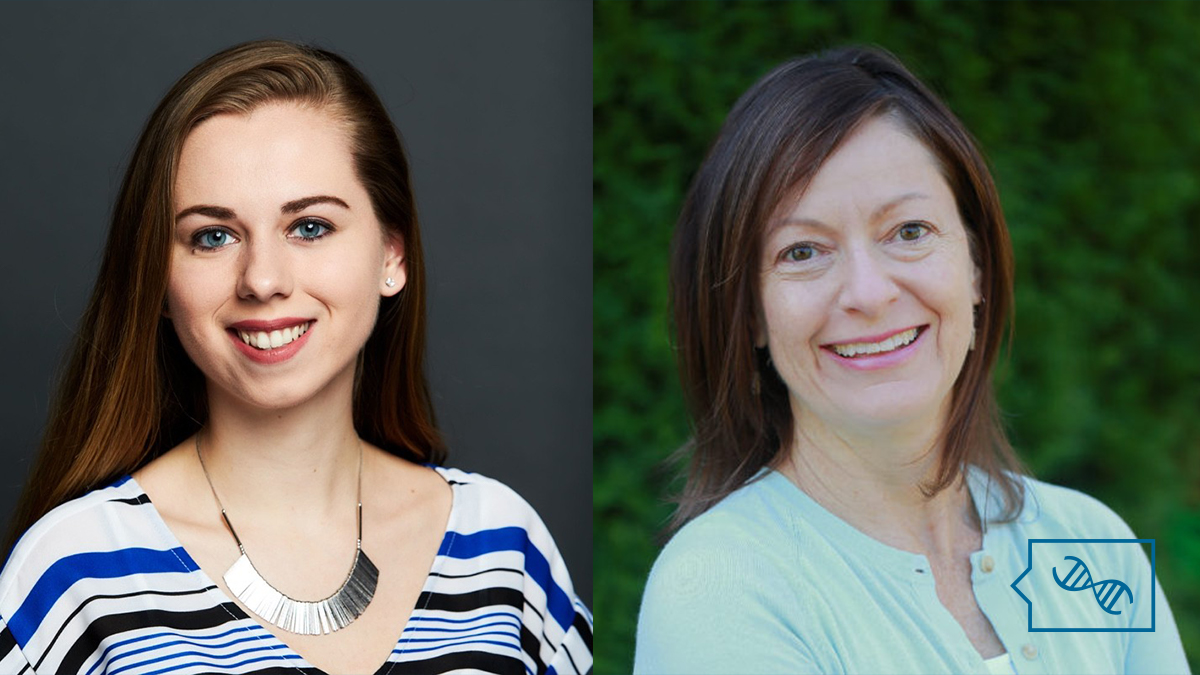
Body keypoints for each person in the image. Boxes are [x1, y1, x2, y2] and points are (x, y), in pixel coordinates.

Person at [0, 40, 591, 675]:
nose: (262, 280)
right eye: (212, 236)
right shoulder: (76, 571)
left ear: (392, 256)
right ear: (159, 283)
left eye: (310, 226)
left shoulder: (504, 548)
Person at [634, 46, 1187, 674]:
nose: (869, 293)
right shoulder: (721, 590)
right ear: (752, 316)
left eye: (910, 231)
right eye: (803, 251)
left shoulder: (1096, 545)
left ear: (976, 266)